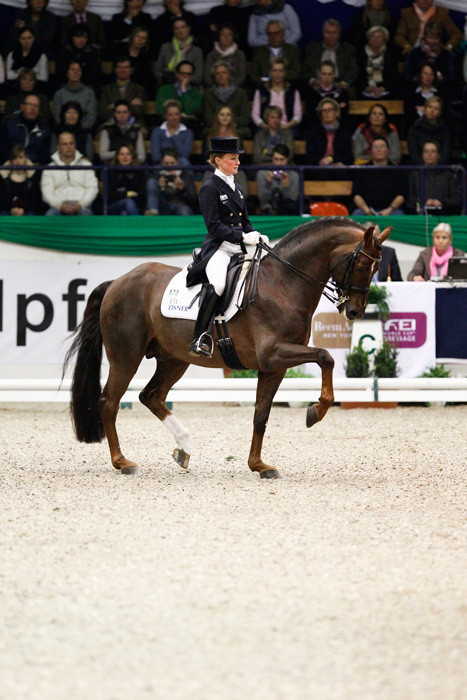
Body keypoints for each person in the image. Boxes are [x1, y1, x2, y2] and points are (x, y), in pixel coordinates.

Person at [186, 136, 267, 357]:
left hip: (238, 248)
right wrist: (242, 237)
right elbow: (214, 227)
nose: (238, 162)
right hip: (220, 248)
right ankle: (199, 337)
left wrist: (256, 235)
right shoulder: (209, 188)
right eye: (233, 158)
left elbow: (246, 222)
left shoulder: (238, 188)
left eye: (238, 158)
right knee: (219, 285)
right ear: (218, 160)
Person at [41, 131, 98, 215]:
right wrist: (60, 205)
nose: (69, 147)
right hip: (58, 207)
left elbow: (92, 189)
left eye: (71, 143)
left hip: (82, 206)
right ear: (58, 147)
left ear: (75, 145)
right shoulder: (49, 168)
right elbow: (47, 193)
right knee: (50, 215)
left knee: (86, 215)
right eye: (65, 144)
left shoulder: (86, 165)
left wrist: (81, 205)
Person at [303, 19, 358, 98]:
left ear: (339, 34)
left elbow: (353, 71)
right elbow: (305, 70)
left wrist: (343, 83)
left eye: (334, 33)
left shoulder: (348, 49)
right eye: (327, 32)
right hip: (318, 84)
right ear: (322, 33)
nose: (330, 36)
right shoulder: (312, 49)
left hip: (340, 85)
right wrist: (314, 81)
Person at [352, 136, 406, 216]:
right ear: (371, 151)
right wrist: (367, 210)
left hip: (391, 210)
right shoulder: (362, 169)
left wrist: (389, 210)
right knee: (356, 214)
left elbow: (401, 195)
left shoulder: (397, 170)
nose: (379, 150)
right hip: (366, 210)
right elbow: (356, 195)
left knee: (400, 216)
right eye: (375, 147)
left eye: (382, 147)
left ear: (388, 151)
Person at [406, 140, 462, 214]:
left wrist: (441, 203)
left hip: (444, 214)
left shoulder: (449, 175)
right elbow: (409, 199)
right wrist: (423, 202)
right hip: (420, 215)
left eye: (433, 151)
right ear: (422, 155)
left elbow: (456, 198)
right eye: (426, 151)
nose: (429, 154)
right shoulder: (414, 174)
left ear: (438, 155)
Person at [394, 0, 462, 56]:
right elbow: (399, 35)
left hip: (435, 53)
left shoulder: (441, 13)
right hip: (412, 52)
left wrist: (448, 47)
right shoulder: (407, 13)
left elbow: (456, 33)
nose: (426, 1)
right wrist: (406, 46)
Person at [251, 57, 302, 131]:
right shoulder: (261, 89)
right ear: (270, 72)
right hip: (265, 127)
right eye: (274, 70)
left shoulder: (293, 91)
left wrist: (288, 125)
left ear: (285, 73)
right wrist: (265, 126)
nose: (277, 74)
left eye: (280, 71)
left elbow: (298, 115)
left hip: (287, 126)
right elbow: (255, 114)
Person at [403, 22, 454, 94]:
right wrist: (419, 79)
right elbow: (406, 75)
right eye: (430, 37)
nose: (433, 41)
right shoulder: (415, 53)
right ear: (425, 36)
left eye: (436, 38)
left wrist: (442, 78)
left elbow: (451, 75)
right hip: (416, 90)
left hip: (440, 90)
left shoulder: (445, 54)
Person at [0, 92, 51, 164]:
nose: (32, 108)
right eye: (29, 105)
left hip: (34, 169)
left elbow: (44, 157)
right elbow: (3, 151)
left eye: (36, 106)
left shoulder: (44, 130)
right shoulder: (9, 125)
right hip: (10, 166)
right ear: (22, 107)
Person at [203, 62, 251, 136]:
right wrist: (222, 125)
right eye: (217, 73)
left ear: (229, 75)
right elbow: (208, 118)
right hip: (215, 128)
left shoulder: (241, 93)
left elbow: (245, 118)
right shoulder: (208, 94)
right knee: (207, 132)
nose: (221, 75)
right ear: (214, 77)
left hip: (236, 127)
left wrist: (229, 124)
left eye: (224, 73)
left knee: (241, 133)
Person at [147, 146, 197, 216]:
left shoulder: (185, 174)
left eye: (172, 163)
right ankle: (153, 212)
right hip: (161, 206)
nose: (169, 166)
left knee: (184, 211)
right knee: (151, 182)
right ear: (161, 163)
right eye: (166, 163)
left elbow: (193, 200)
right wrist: (160, 188)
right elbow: (148, 197)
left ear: (177, 162)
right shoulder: (156, 174)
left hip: (179, 205)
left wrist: (183, 189)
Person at [250, 19, 301, 87]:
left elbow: (296, 73)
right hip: (264, 87)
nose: (273, 37)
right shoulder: (259, 52)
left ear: (283, 33)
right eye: (270, 34)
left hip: (288, 87)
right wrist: (266, 81)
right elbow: (254, 75)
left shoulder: (293, 50)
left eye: (276, 33)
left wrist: (277, 76)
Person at [154, 17, 203, 86]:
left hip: (188, 87)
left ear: (188, 29)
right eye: (177, 28)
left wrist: (181, 82)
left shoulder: (197, 51)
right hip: (167, 85)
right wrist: (166, 80)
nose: (180, 31)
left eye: (183, 27)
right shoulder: (165, 47)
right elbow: (157, 71)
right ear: (173, 31)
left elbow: (198, 76)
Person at [155, 60, 203, 133]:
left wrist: (184, 90)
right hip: (166, 125)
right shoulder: (164, 89)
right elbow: (160, 110)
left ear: (192, 76)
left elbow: (189, 110)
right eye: (182, 73)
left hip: (188, 126)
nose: (185, 76)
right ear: (176, 74)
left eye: (188, 74)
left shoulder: (196, 94)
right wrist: (179, 116)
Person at [305, 98, 352, 167]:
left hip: (339, 166)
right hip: (319, 166)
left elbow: (348, 156)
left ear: (336, 112)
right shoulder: (313, 131)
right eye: (324, 110)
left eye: (330, 109)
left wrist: (332, 159)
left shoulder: (344, 131)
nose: (327, 112)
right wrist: (321, 161)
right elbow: (310, 155)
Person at [98, 58, 146, 126]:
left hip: (134, 124)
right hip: (111, 124)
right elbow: (103, 113)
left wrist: (114, 106)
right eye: (119, 67)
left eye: (126, 67)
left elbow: (138, 112)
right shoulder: (106, 89)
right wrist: (130, 104)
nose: (123, 70)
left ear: (131, 70)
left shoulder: (139, 89)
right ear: (115, 70)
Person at [52, 61, 98, 131]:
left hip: (84, 131)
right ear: (67, 73)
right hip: (63, 132)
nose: (75, 72)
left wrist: (79, 130)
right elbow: (58, 117)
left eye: (78, 70)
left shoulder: (89, 93)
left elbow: (91, 117)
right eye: (72, 70)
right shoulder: (59, 94)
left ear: (81, 73)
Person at [98, 99, 146, 164]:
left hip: (133, 167)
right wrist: (122, 155)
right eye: (118, 112)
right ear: (114, 114)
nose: (122, 115)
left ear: (129, 113)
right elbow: (102, 155)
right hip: (112, 167)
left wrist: (127, 158)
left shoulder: (136, 130)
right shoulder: (107, 129)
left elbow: (142, 157)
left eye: (125, 112)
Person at [255, 143, 298, 215]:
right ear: (272, 159)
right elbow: (263, 199)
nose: (278, 163)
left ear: (287, 159)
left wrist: (285, 186)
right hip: (267, 211)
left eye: (282, 160)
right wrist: (268, 183)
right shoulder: (262, 174)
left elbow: (292, 199)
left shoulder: (294, 175)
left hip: (287, 212)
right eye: (276, 159)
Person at [357, 25, 399, 99]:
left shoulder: (390, 55)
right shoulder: (360, 55)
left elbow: (393, 76)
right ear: (369, 39)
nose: (376, 39)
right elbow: (357, 75)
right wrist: (366, 88)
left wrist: (382, 89)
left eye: (379, 37)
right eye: (373, 36)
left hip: (385, 91)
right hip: (365, 91)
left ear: (384, 40)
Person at [0, 144, 43, 215]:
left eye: (20, 157)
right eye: (14, 158)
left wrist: (23, 209)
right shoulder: (3, 177)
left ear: (25, 159)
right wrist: (11, 210)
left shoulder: (32, 177)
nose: (17, 161)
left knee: (31, 214)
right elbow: (2, 200)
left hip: (28, 212)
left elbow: (35, 201)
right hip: (7, 211)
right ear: (11, 161)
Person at [56, 23, 102, 90]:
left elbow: (95, 74)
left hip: (87, 85)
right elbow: (60, 73)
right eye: (78, 37)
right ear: (72, 37)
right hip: (66, 85)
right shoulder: (64, 51)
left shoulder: (92, 52)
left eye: (85, 37)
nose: (81, 40)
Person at [407, 95, 450, 164]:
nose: (432, 110)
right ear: (424, 109)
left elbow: (445, 154)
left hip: (440, 169)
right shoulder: (415, 129)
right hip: (419, 168)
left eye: (436, 108)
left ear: (439, 112)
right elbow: (414, 153)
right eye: (429, 107)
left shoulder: (445, 131)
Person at [150, 99, 193, 166]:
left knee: (185, 162)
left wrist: (174, 138)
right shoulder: (157, 132)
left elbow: (185, 154)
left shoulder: (187, 132)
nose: (174, 117)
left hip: (180, 165)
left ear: (180, 115)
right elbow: (155, 156)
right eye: (170, 115)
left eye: (176, 114)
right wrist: (168, 160)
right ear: (165, 116)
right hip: (162, 164)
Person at [6, 27, 49, 92]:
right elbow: (9, 76)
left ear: (33, 38)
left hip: (36, 87)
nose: (26, 41)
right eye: (23, 38)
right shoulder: (12, 55)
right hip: (16, 86)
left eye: (29, 38)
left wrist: (26, 77)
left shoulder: (41, 56)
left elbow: (43, 77)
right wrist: (26, 77)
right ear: (19, 39)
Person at [107, 144, 146, 215]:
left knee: (124, 213)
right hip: (113, 207)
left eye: (128, 154)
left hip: (135, 207)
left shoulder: (139, 172)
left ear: (132, 157)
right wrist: (128, 194)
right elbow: (110, 196)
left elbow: (141, 196)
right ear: (117, 157)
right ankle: (139, 225)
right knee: (128, 202)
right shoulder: (111, 172)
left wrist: (121, 194)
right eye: (122, 154)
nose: (125, 157)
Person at [403, 61, 440, 132]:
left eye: (431, 74)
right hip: (415, 129)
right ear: (420, 75)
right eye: (425, 74)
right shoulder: (411, 92)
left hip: (435, 129)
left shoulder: (439, 93)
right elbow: (408, 112)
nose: (428, 77)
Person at [125, 25, 153, 90]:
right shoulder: (121, 53)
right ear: (132, 38)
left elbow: (147, 79)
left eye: (143, 38)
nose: (140, 40)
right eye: (138, 37)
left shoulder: (146, 57)